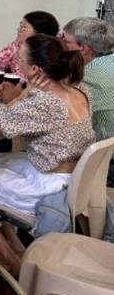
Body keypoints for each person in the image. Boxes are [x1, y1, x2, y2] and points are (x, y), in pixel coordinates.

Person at [0, 34, 93, 269]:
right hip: (66, 172)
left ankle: (10, 260)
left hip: (49, 181)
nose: (17, 61)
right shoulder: (78, 89)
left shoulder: (46, 102)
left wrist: (23, 95)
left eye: (20, 59)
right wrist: (22, 96)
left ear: (34, 68)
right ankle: (16, 246)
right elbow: (14, 114)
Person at [60, 17, 114, 184]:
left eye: (65, 41)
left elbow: (56, 114)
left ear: (84, 49)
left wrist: (19, 96)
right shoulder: (108, 62)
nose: (60, 44)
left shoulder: (88, 78)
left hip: (101, 164)